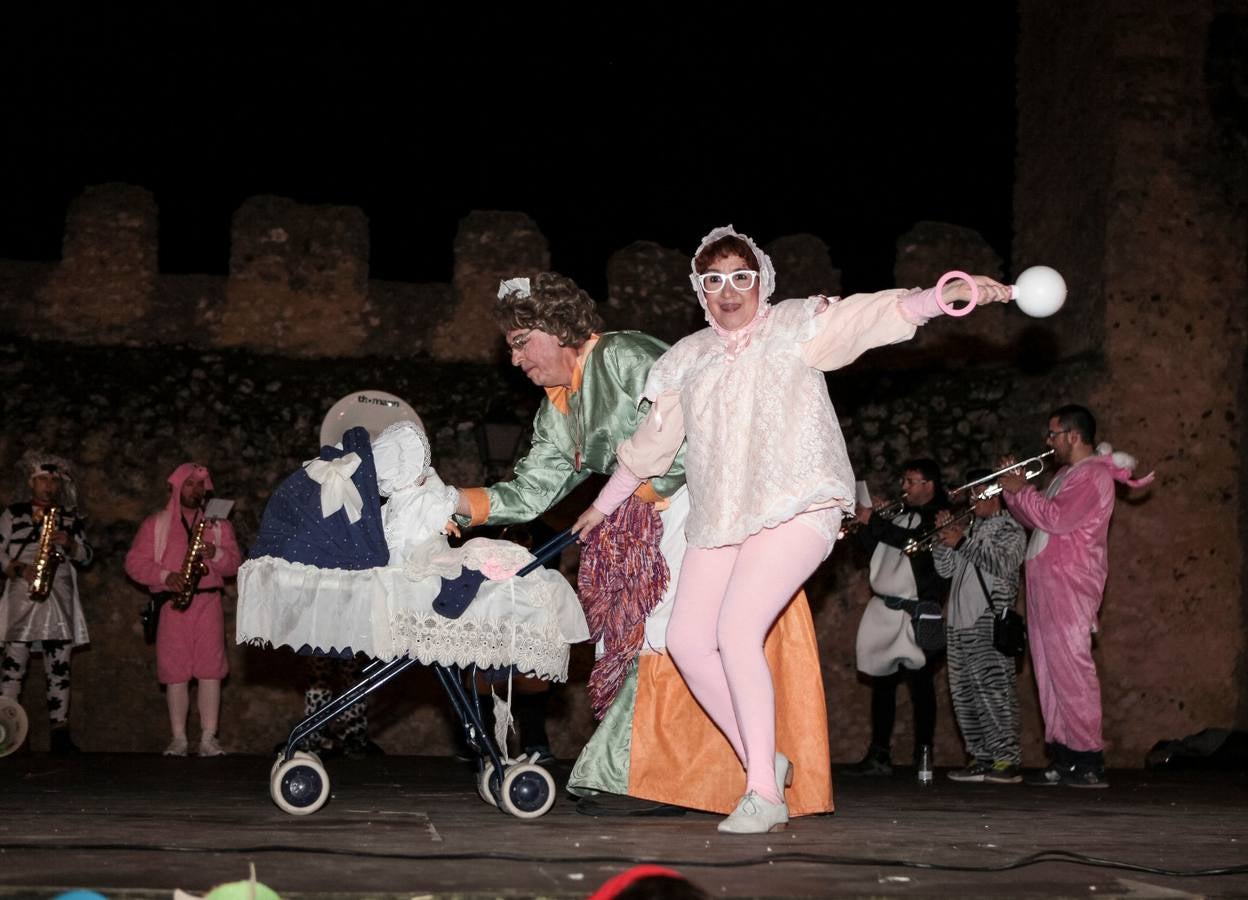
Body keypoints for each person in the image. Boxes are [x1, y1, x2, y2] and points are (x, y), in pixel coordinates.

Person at [573, 225, 1009, 833]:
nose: (729, 291)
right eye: (715, 280)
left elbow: (867, 317)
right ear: (701, 290)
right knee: (688, 640)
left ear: (761, 282)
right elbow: (649, 446)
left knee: (736, 628)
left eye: (741, 278)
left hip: (799, 504)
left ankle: (763, 796)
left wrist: (940, 298)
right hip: (722, 515)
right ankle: (765, 761)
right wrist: (604, 505)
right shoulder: (687, 358)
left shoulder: (795, 327)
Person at [453, 271, 833, 818]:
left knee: (664, 634)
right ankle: (673, 774)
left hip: (701, 504)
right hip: (638, 526)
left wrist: (647, 501)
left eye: (520, 343)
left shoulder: (624, 356)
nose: (515, 361)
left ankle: (667, 777)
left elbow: (704, 418)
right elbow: (531, 491)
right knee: (631, 642)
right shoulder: (556, 410)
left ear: (557, 327)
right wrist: (453, 503)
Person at [999, 404, 1151, 788]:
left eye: (1053, 435)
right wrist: (1014, 493)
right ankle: (1064, 756)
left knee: (1072, 670)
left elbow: (1056, 519)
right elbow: (1036, 519)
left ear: (1073, 435)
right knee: (1049, 673)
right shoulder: (1066, 474)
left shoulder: (1093, 477)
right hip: (1046, 583)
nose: (1048, 442)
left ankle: (1088, 758)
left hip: (1071, 582)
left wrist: (1023, 490)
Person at [125, 463, 242, 757]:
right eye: (189, 484)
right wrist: (166, 577)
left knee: (211, 669)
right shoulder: (156, 524)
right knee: (174, 671)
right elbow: (134, 563)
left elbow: (236, 565)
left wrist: (214, 553)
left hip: (208, 601)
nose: (196, 490)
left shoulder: (218, 526)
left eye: (200, 485)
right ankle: (178, 738)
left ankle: (208, 738)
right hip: (172, 603)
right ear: (176, 488)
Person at [844, 459, 950, 777]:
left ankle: (924, 754)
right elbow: (874, 548)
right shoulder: (898, 516)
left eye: (910, 481)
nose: (903, 487)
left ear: (929, 485)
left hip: (917, 611)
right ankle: (879, 754)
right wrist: (866, 524)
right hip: (885, 611)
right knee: (883, 683)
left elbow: (913, 543)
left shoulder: (940, 517)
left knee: (921, 686)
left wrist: (874, 521)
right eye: (902, 480)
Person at [932, 468, 1027, 783]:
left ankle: (1006, 759)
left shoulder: (1011, 529)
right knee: (963, 693)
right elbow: (945, 571)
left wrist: (960, 541)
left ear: (996, 494)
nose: (973, 500)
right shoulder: (969, 529)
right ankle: (980, 756)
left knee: (994, 690)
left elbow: (1001, 562)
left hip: (988, 620)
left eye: (980, 493)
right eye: (971, 494)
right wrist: (942, 541)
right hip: (959, 624)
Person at [0, 453, 92, 753]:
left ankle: (60, 732)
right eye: (43, 479)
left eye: (54, 480)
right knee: (14, 663)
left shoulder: (71, 516)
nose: (49, 486)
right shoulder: (12, 513)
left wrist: (72, 545)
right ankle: (8, 730)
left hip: (59, 593)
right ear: (31, 482)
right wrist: (18, 568)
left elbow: (88, 556)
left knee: (59, 665)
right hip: (22, 592)